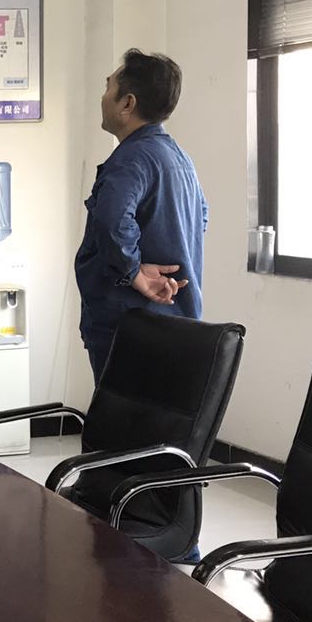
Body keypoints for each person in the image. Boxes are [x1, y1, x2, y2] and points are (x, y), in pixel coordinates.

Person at [76, 48, 209, 384]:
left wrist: (133, 271)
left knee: (120, 415)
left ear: (127, 103)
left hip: (129, 327)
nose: (103, 98)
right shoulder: (179, 158)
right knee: (158, 412)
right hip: (176, 324)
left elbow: (111, 220)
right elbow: (202, 217)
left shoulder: (131, 159)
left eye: (108, 87)